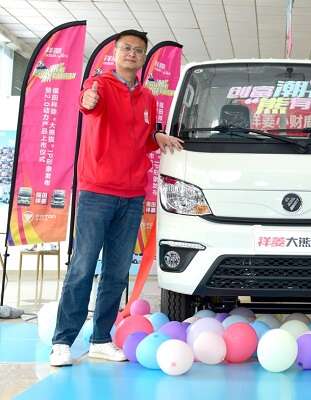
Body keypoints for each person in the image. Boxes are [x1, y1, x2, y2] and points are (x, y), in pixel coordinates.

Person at [50, 30, 183, 367]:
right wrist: (87, 101)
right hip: (97, 192)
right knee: (82, 267)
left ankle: (100, 339)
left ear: (143, 57)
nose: (132, 54)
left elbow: (142, 139)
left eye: (138, 50)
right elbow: (87, 104)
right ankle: (62, 341)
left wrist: (158, 136)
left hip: (132, 195)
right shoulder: (99, 85)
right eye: (126, 48)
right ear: (115, 52)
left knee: (116, 272)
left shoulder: (148, 98)